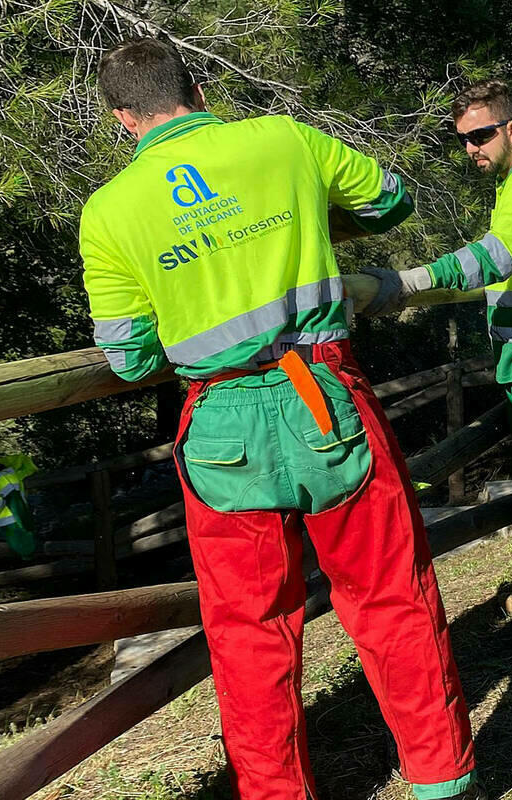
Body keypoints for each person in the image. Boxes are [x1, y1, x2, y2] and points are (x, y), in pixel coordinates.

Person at [79, 38, 483, 800]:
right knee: (390, 595)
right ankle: (440, 777)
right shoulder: (284, 139)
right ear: (196, 86)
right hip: (323, 395)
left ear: (123, 119)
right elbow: (393, 201)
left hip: (223, 427)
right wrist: (301, 224)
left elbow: (131, 359)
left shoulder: (107, 213)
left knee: (248, 634)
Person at [363, 79, 512, 649]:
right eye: (464, 139)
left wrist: (413, 281)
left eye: (481, 134)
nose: (472, 147)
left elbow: (495, 257)